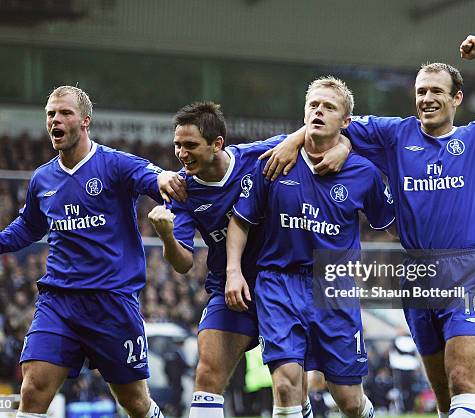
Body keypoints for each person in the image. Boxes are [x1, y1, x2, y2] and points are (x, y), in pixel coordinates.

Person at [263, 35, 475, 418]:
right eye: (420, 91)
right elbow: (330, 124)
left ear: (456, 98)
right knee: (443, 394)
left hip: (464, 270)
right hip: (413, 272)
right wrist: (299, 140)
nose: (426, 98)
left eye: (436, 91)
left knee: (462, 378)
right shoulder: (395, 134)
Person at [0, 86, 183, 418]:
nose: (56, 119)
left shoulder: (115, 164)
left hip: (111, 301)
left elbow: (153, 177)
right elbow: (28, 226)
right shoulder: (43, 179)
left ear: (85, 121)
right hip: (59, 302)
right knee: (33, 389)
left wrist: (165, 178)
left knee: (134, 403)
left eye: (65, 113)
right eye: (51, 114)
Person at [148, 101, 350, 418]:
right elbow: (183, 263)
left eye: (190, 145)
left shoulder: (257, 156)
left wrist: (343, 146)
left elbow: (316, 131)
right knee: (207, 375)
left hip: (285, 287)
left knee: (290, 389)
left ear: (217, 144)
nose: (182, 154)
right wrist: (166, 236)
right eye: (178, 145)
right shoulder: (183, 191)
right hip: (231, 293)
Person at [227, 76, 395, 418]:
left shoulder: (363, 172)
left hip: (333, 287)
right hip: (279, 283)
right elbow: (240, 221)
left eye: (329, 107)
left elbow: (393, 225)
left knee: (348, 401)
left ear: (345, 122)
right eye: (313, 105)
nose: (319, 111)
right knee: (287, 384)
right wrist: (233, 272)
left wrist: (454, 243)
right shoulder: (275, 162)